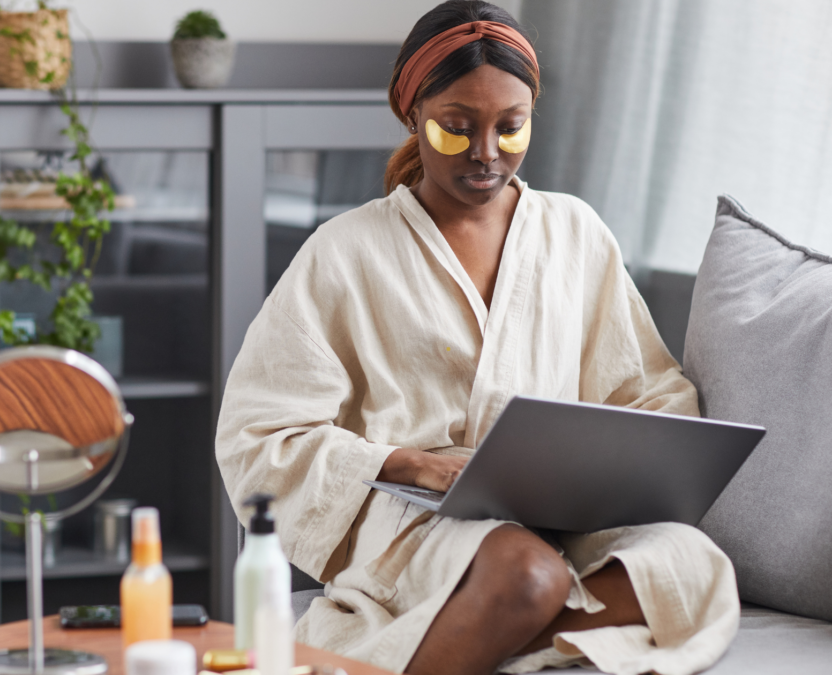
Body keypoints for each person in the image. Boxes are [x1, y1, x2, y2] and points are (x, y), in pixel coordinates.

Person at [214, 2, 739, 674]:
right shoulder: (344, 252)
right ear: (414, 116)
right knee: (528, 574)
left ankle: (458, 633)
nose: (487, 154)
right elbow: (259, 434)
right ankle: (499, 604)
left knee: (690, 566)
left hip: (562, 507)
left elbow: (647, 385)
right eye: (457, 130)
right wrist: (409, 462)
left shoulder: (575, 233)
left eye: (511, 129)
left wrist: (612, 463)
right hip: (414, 512)